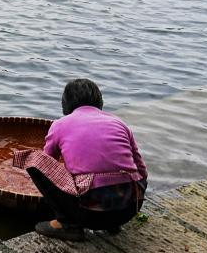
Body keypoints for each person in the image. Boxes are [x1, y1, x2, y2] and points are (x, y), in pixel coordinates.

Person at [21, 78, 148, 241]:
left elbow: (47, 163)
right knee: (123, 174)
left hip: (88, 214)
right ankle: (112, 224)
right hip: (129, 208)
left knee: (34, 160)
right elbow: (141, 169)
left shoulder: (60, 124)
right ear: (100, 102)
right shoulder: (119, 123)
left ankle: (68, 224)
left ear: (65, 104)